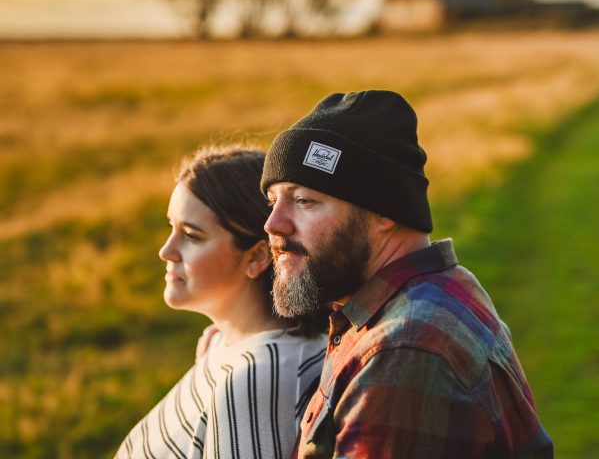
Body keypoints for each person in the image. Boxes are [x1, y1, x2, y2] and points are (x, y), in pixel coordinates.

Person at [261, 90, 554, 458]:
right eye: (273, 201)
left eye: (304, 200)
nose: (274, 224)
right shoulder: (435, 290)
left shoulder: (402, 353)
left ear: (385, 212)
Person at [116, 145, 329, 459]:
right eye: (171, 227)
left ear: (256, 257)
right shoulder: (225, 347)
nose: (166, 250)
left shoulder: (257, 379)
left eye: (191, 235)